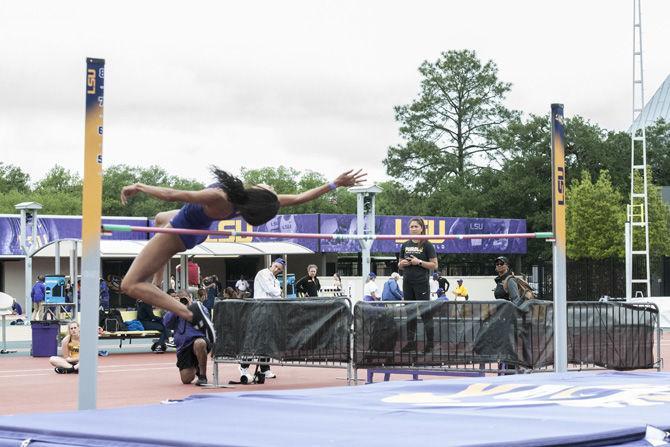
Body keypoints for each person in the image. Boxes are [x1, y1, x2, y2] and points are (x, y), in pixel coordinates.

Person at [119, 167, 366, 344]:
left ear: (260, 194)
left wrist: (139, 186)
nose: (271, 186)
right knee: (161, 217)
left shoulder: (220, 197)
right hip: (196, 228)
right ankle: (158, 282)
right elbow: (300, 198)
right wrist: (334, 183)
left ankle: (191, 313)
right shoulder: (244, 201)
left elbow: (174, 193)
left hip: (180, 232)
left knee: (130, 284)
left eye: (270, 188)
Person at [241, 258, 287, 380]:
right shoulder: (262, 273)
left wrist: (277, 292)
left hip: (270, 312)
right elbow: (270, 290)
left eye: (279, 269)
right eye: (276, 266)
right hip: (259, 310)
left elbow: (277, 296)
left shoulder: (276, 280)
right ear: (272, 264)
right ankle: (243, 366)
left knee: (267, 341)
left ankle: (265, 368)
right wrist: (278, 291)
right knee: (254, 339)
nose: (277, 269)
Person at [398, 217, 439, 353]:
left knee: (425, 313)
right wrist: (402, 264)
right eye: (411, 227)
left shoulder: (427, 245)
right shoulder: (405, 245)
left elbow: (434, 265)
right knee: (409, 313)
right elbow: (400, 264)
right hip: (407, 282)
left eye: (416, 226)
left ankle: (431, 344)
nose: (413, 229)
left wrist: (419, 262)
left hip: (421, 283)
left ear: (422, 228)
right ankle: (411, 343)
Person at [163, 292, 210, 386]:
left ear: (190, 298)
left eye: (185, 298)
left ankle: (202, 376)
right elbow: (167, 324)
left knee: (200, 343)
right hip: (183, 347)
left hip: (198, 340)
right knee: (186, 379)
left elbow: (205, 317)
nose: (183, 301)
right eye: (180, 299)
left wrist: (191, 306)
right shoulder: (174, 310)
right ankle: (196, 367)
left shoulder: (198, 306)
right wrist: (175, 308)